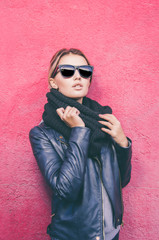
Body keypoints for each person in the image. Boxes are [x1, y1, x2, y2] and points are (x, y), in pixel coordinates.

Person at [29, 48, 132, 240]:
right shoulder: (42, 134)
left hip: (111, 234)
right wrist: (79, 132)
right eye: (68, 71)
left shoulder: (103, 122)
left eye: (84, 71)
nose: (78, 77)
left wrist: (122, 143)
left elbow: (121, 181)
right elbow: (66, 190)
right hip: (73, 235)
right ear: (54, 82)